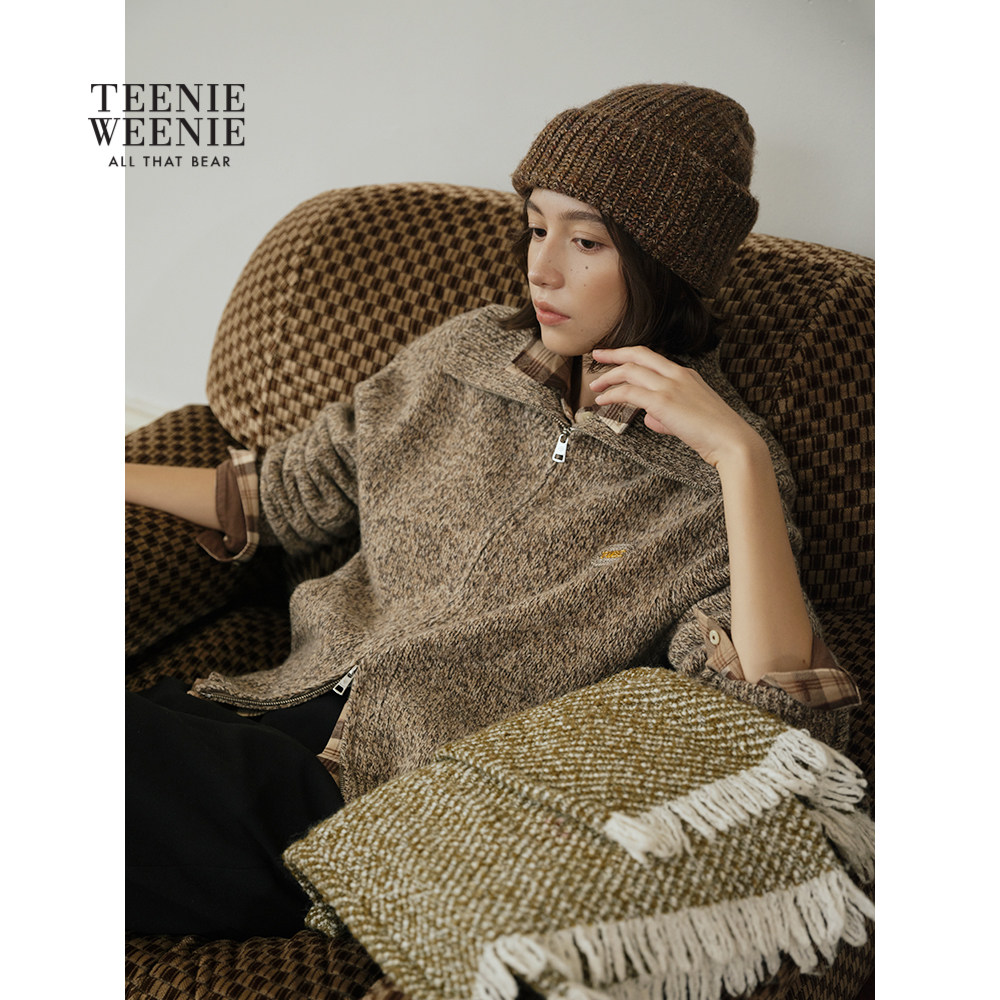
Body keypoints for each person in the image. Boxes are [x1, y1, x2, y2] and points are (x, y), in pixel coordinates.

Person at [125, 83, 860, 940]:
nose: (541, 269)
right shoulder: (462, 357)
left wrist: (741, 459)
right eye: (537, 227)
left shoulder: (706, 489)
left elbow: (778, 723)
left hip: (370, 807)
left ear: (667, 263)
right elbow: (282, 493)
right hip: (250, 714)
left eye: (586, 240)